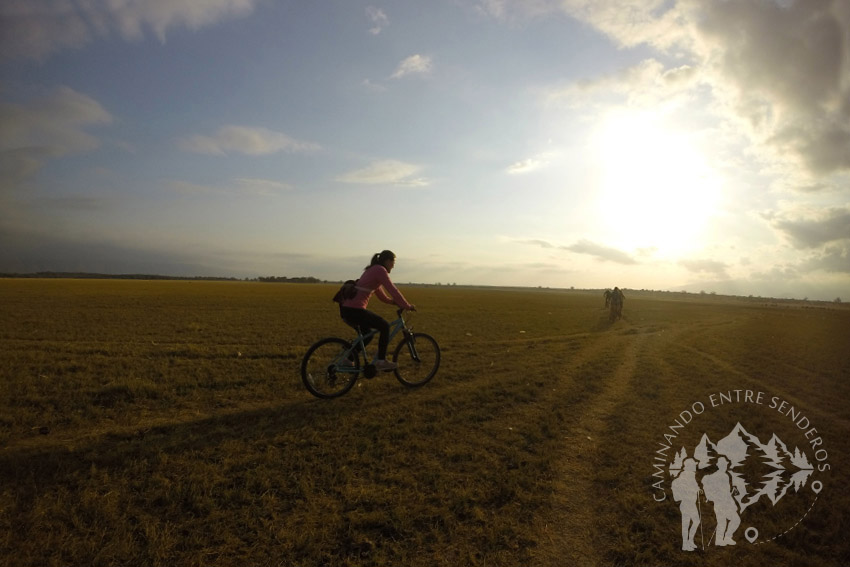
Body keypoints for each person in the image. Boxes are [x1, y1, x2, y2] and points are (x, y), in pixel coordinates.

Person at [339, 250, 416, 371]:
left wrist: (393, 302)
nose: (393, 265)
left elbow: (381, 295)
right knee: (384, 326)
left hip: (348, 309)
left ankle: (348, 359)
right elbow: (392, 289)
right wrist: (407, 305)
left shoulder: (373, 270)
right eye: (393, 262)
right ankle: (381, 361)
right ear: (387, 261)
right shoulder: (380, 270)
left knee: (367, 335)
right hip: (355, 310)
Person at [671, 458, 701, 551]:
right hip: (687, 503)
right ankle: (685, 544)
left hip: (691, 503)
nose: (695, 466)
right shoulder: (685, 475)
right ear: (689, 466)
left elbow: (695, 486)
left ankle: (690, 541)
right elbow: (687, 487)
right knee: (687, 524)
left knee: (696, 521)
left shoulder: (691, 475)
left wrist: (698, 489)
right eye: (694, 465)